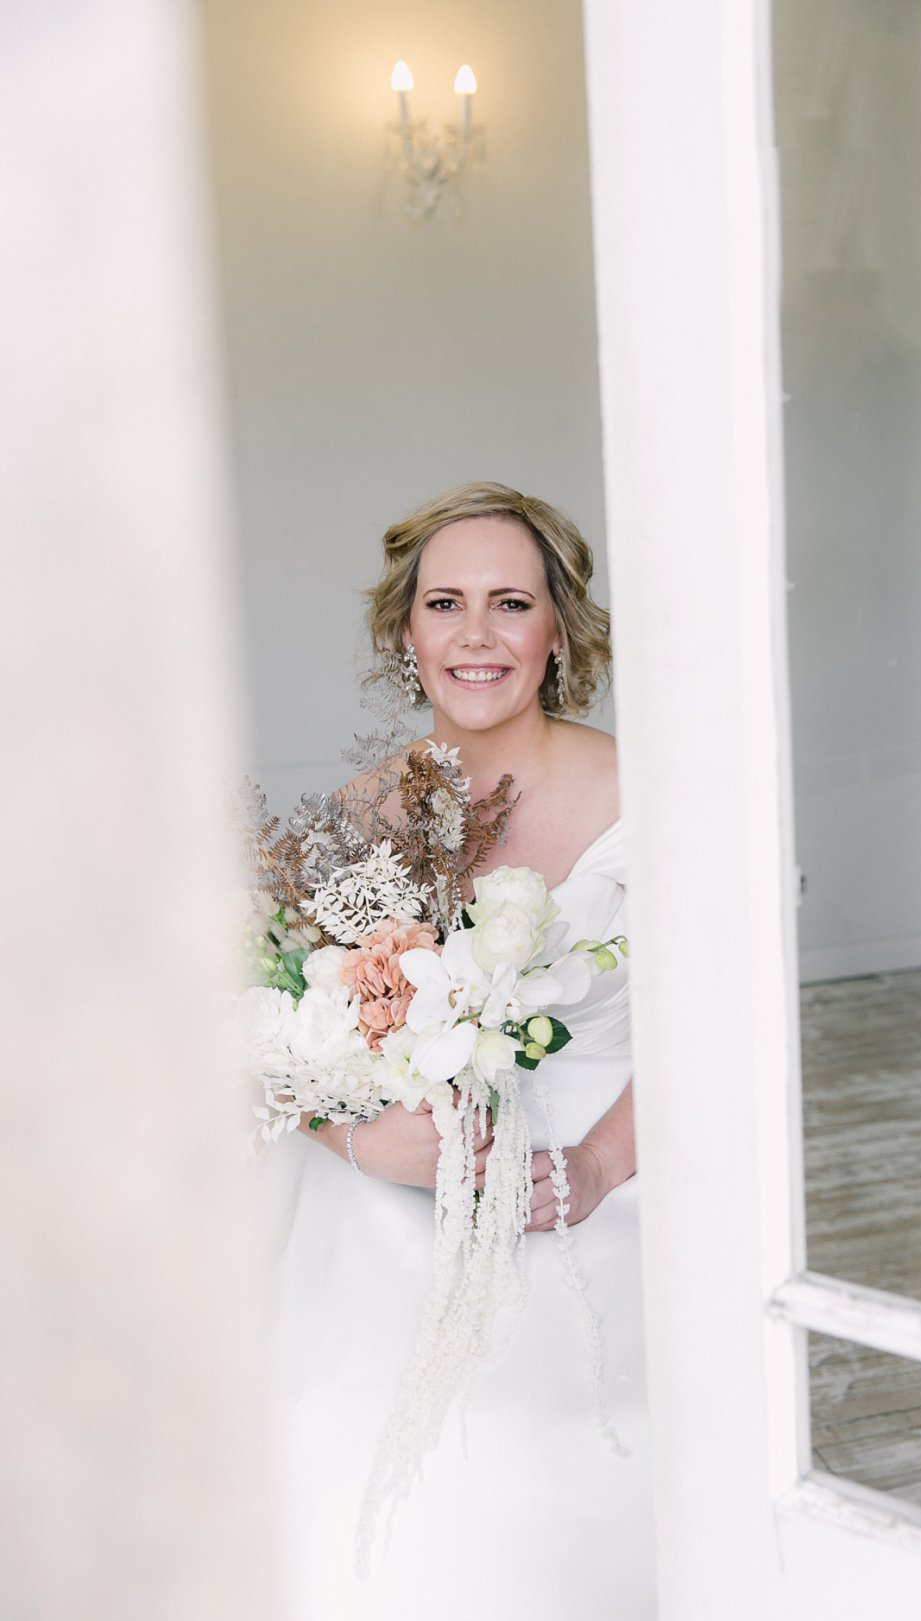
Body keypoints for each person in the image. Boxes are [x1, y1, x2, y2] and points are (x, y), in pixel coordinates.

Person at [259, 483, 654, 1619]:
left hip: (609, 1178)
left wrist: (597, 1166)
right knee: (341, 1430)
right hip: (410, 1191)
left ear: (559, 631)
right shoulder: (362, 814)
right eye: (445, 603)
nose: (476, 635)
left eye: (510, 602)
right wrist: (354, 1142)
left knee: (538, 1465)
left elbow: (722, 1033)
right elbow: (286, 1037)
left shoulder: (650, 794)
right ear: (406, 631)